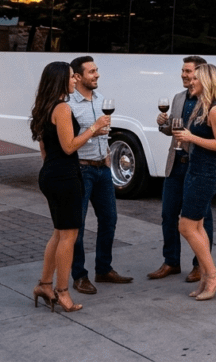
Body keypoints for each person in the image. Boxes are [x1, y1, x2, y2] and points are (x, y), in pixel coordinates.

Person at [31, 61, 110, 313]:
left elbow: (47, 148)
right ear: (60, 80)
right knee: (68, 236)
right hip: (65, 177)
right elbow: (69, 146)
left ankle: (44, 284)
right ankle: (62, 291)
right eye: (70, 77)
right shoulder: (63, 108)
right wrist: (94, 128)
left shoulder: (45, 107)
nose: (74, 80)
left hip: (51, 174)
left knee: (58, 233)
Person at [68, 56, 133, 295]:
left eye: (97, 71)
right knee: (79, 225)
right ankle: (79, 275)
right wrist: (93, 129)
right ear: (77, 76)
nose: (96, 75)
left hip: (102, 170)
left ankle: (103, 269)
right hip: (81, 169)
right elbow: (67, 141)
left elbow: (104, 133)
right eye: (91, 72)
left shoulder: (101, 99)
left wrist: (106, 152)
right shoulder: (68, 104)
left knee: (109, 220)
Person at [148, 56, 214, 284]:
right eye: (183, 71)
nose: (184, 75)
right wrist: (162, 124)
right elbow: (173, 130)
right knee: (168, 214)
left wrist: (189, 136)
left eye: (189, 72)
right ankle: (171, 262)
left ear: (200, 75)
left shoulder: (209, 101)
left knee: (201, 219)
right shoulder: (177, 98)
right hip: (176, 163)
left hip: (197, 167)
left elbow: (214, 139)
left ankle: (200, 266)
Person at [171, 63, 216, 300]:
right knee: (197, 226)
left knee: (185, 226)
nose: (190, 82)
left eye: (195, 79)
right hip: (196, 170)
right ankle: (207, 276)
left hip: (207, 173)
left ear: (206, 81)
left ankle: (212, 274)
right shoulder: (201, 106)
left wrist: (191, 137)